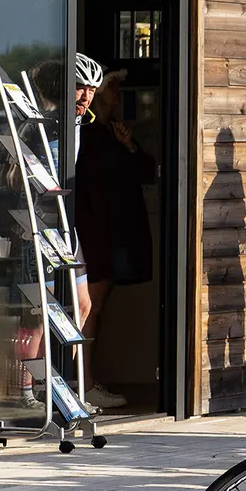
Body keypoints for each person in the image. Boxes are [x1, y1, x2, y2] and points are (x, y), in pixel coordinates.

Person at [72, 55, 158, 410]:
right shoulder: (86, 133)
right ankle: (83, 384)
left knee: (94, 307)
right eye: (112, 86)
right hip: (93, 233)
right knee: (86, 307)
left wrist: (130, 146)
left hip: (113, 232)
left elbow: (147, 171)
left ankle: (84, 382)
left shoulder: (112, 132)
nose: (117, 93)